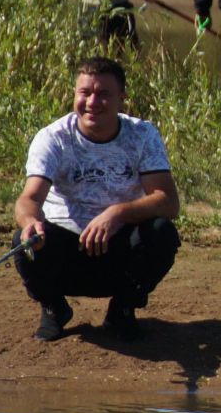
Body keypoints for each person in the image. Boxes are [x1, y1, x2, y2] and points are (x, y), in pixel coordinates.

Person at [13, 57, 180, 343]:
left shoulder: (142, 134)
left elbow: (167, 201)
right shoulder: (53, 138)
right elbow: (29, 198)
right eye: (85, 93)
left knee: (161, 234)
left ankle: (122, 310)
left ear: (121, 99)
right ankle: (54, 308)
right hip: (65, 248)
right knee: (23, 242)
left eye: (103, 94)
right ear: (75, 95)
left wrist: (116, 213)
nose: (92, 102)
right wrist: (30, 222)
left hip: (119, 249)